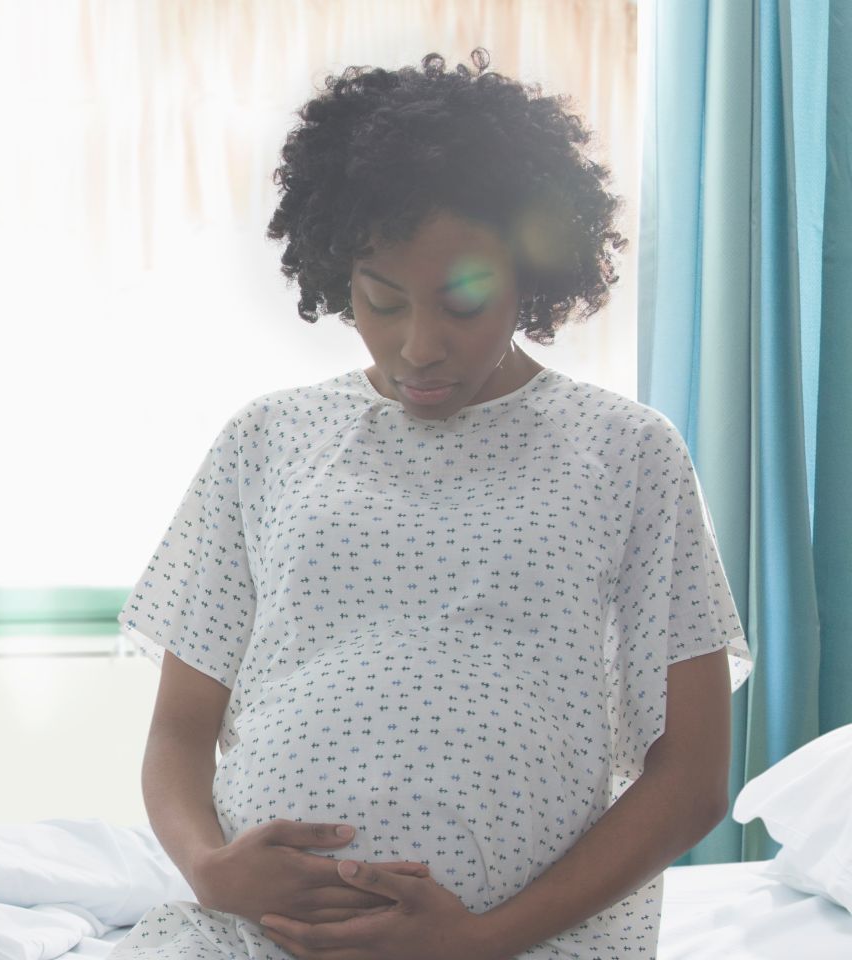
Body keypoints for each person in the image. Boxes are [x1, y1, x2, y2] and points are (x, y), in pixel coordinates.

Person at [109, 49, 754, 959]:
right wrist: (210, 869)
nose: (419, 347)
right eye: (382, 301)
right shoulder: (266, 441)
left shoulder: (629, 453)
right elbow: (178, 735)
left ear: (533, 274)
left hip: (530, 944)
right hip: (252, 937)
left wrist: (484, 940)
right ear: (339, 277)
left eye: (462, 303)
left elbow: (689, 779)